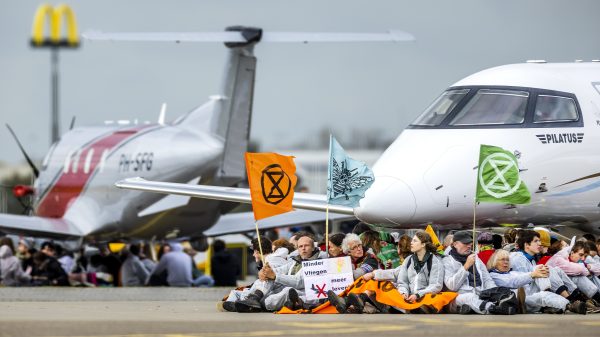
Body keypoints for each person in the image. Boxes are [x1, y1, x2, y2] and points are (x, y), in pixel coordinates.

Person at [354, 231, 446, 314]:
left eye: (415, 241)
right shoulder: (409, 260)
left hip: (424, 297)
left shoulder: (435, 262)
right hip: (408, 298)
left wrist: (418, 295)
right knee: (379, 284)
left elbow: (436, 285)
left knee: (440, 297)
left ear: (423, 245)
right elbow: (402, 282)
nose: (411, 243)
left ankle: (403, 307)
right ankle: (404, 307)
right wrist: (403, 293)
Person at [233, 233, 325, 312]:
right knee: (266, 278)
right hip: (287, 286)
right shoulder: (296, 260)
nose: (303, 248)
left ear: (313, 248)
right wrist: (265, 272)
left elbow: (299, 282)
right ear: (298, 249)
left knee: (283, 293)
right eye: (300, 246)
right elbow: (281, 269)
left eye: (306, 246)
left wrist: (275, 276)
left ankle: (252, 305)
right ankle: (253, 299)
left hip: (303, 291)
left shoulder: (317, 262)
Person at [487, 249, 586, 314]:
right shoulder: (494, 275)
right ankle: (569, 305)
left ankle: (561, 299)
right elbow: (513, 282)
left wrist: (538, 271)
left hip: (529, 293)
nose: (506, 262)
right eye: (502, 260)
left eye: (507, 260)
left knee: (545, 268)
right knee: (542, 295)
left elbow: (522, 277)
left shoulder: (512, 272)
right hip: (518, 298)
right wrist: (533, 274)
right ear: (495, 262)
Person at [443, 230, 514, 314]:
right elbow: (452, 286)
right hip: (459, 296)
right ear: (455, 244)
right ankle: (494, 309)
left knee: (505, 291)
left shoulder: (475, 257)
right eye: (465, 244)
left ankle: (473, 308)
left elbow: (486, 278)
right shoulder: (447, 260)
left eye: (470, 243)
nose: (469, 246)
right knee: (470, 297)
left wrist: (494, 292)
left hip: (481, 293)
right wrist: (465, 267)